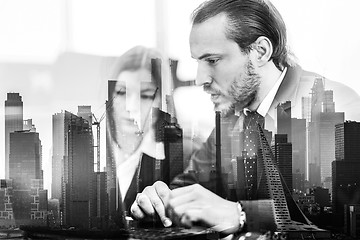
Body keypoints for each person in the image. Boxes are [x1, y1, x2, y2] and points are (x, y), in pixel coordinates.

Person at [130, 0, 360, 236]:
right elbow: (192, 185)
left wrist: (240, 214)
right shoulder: (231, 118)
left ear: (260, 51)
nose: (200, 79)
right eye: (198, 61)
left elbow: (341, 211)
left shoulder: (336, 108)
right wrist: (161, 199)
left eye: (212, 60)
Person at [107, 46, 165, 214]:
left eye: (145, 95)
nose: (131, 107)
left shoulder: (183, 160)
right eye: (122, 92)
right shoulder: (85, 152)